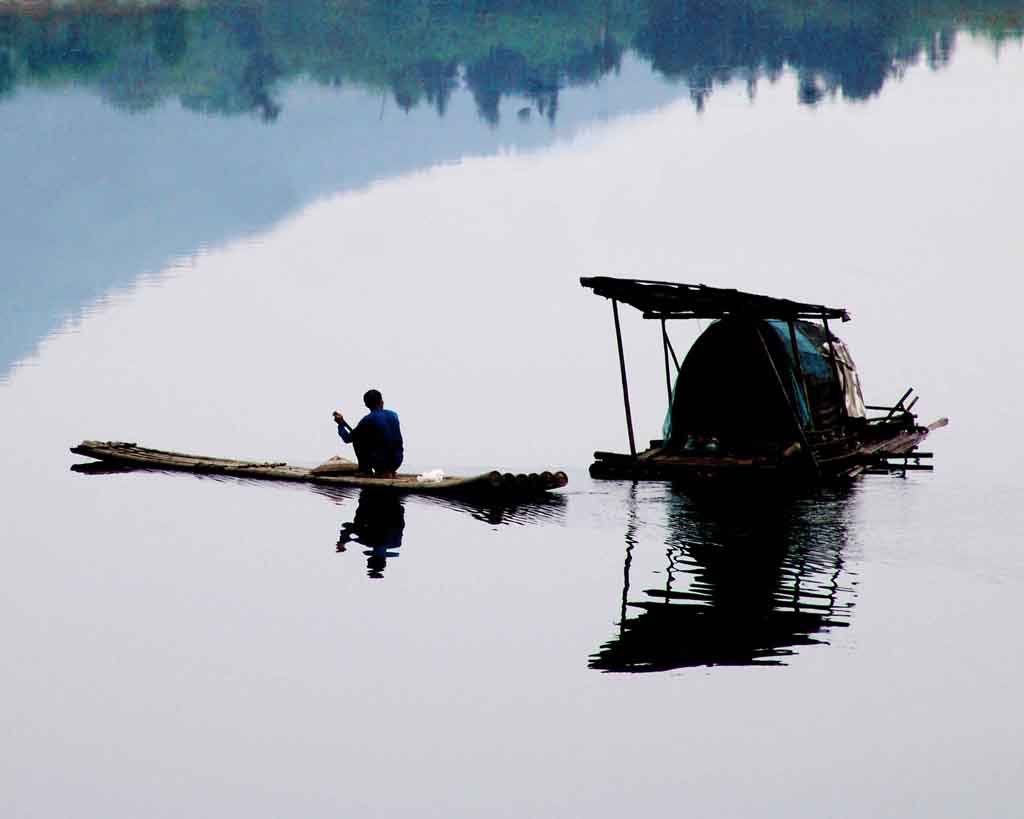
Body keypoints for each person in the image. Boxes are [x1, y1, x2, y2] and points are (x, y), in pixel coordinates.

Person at [332, 389, 404, 477]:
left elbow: (347, 438)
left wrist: (340, 425)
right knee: (370, 438)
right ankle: (390, 471)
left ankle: (366, 471)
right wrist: (343, 423)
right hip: (397, 461)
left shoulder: (368, 420)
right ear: (382, 401)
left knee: (357, 440)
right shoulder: (394, 415)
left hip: (381, 463)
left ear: (366, 405)